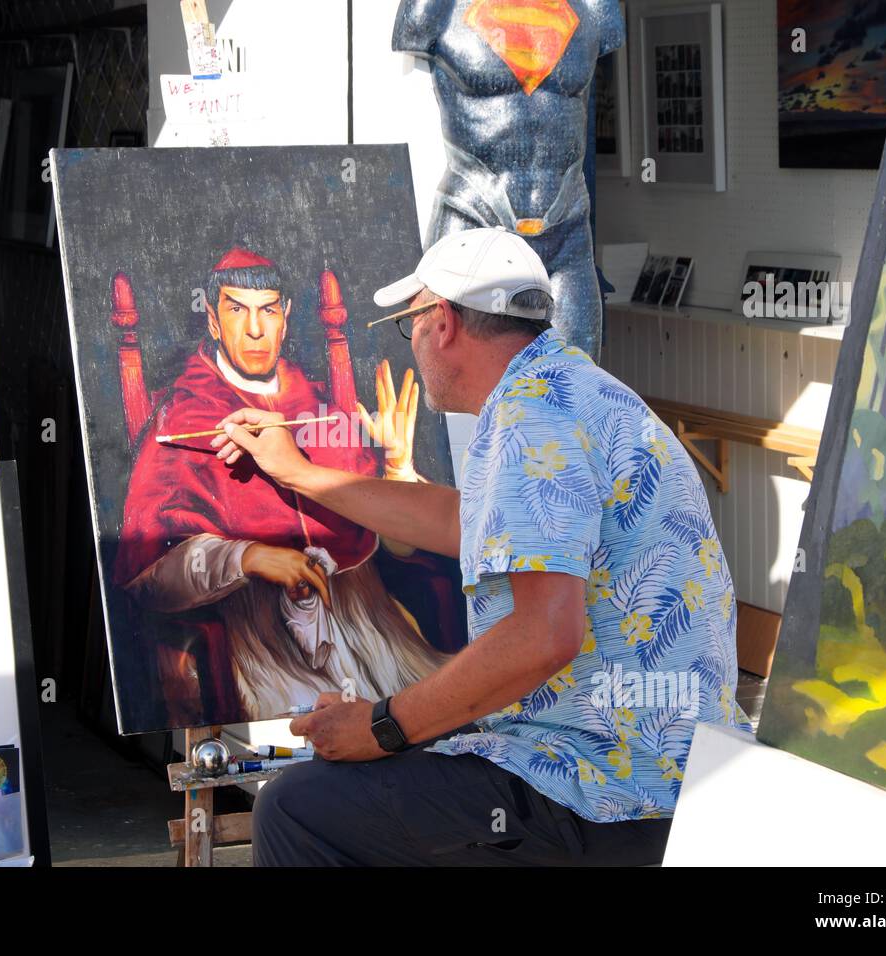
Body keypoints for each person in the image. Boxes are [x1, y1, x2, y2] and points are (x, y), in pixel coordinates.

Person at [213, 227, 752, 866]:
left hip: (603, 790)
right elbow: (457, 521)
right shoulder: (570, 389)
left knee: (297, 809)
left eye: (406, 325)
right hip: (673, 764)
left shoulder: (530, 423)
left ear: (440, 321)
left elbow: (544, 635)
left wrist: (381, 726)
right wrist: (300, 471)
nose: (410, 346)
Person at [115, 247, 452, 722]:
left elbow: (398, 552)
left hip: (373, 629)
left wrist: (396, 469)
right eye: (237, 310)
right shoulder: (183, 419)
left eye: (268, 310)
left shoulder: (327, 412)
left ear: (286, 317)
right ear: (213, 320)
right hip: (263, 646)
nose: (255, 329)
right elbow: (148, 574)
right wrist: (248, 556)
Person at [393, 0, 626, 359]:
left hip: (565, 233)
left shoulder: (594, 5)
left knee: (574, 392)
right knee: (455, 389)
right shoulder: (435, 7)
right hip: (472, 220)